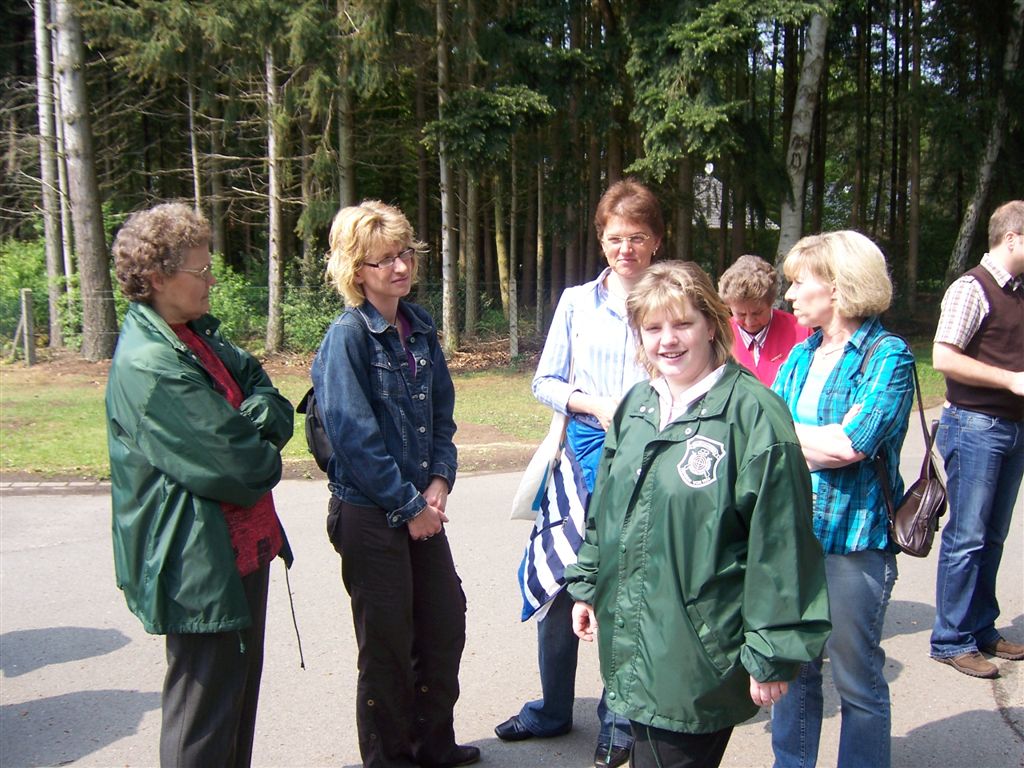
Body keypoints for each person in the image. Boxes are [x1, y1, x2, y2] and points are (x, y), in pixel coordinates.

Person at [565, 260, 831, 768]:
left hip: (701, 652)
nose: (668, 339)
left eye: (682, 323)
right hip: (635, 639)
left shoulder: (753, 415)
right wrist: (589, 584)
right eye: (653, 327)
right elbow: (607, 508)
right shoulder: (637, 406)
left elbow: (781, 545)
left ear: (712, 323)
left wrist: (772, 650)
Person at [105, 202, 294, 767]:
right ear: (159, 277)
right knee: (202, 723)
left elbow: (270, 394)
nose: (213, 279)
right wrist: (258, 433)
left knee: (234, 706)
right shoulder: (150, 364)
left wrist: (252, 423)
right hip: (198, 565)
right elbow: (245, 468)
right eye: (202, 270)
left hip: (239, 554)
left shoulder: (194, 337)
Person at [494, 178, 663, 768]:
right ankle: (553, 708)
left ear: (656, 241)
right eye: (616, 238)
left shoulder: (671, 301)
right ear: (602, 240)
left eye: (637, 238)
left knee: (622, 591)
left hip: (651, 455)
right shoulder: (574, 301)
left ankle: (619, 720)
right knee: (561, 583)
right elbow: (544, 381)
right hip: (579, 455)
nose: (626, 250)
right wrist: (594, 405)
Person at [312, 200, 477, 768]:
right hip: (370, 512)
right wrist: (410, 506)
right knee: (385, 646)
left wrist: (439, 480)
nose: (399, 267)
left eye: (404, 253)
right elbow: (354, 438)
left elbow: (442, 420)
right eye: (383, 260)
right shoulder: (348, 338)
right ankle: (391, 757)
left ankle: (434, 743)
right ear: (357, 270)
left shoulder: (421, 327)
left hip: (419, 508)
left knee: (443, 621)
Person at [770, 230, 915, 768]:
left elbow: (852, 445)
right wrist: (813, 441)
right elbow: (775, 431)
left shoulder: (890, 356)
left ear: (836, 285)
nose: (789, 296)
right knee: (793, 671)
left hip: (855, 541)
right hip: (792, 536)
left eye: (798, 283)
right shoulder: (802, 354)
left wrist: (790, 437)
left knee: (857, 680)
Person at [929, 200, 1024, 679]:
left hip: (1012, 428)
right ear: (1012, 238)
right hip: (975, 426)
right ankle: (951, 639)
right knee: (966, 536)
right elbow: (943, 357)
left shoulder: (1020, 292)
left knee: (993, 534)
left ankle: (981, 627)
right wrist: (1010, 381)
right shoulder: (972, 287)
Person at [718, 253, 811, 386]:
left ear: (771, 302)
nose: (749, 322)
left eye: (757, 313)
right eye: (741, 314)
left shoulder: (800, 331)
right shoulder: (719, 336)